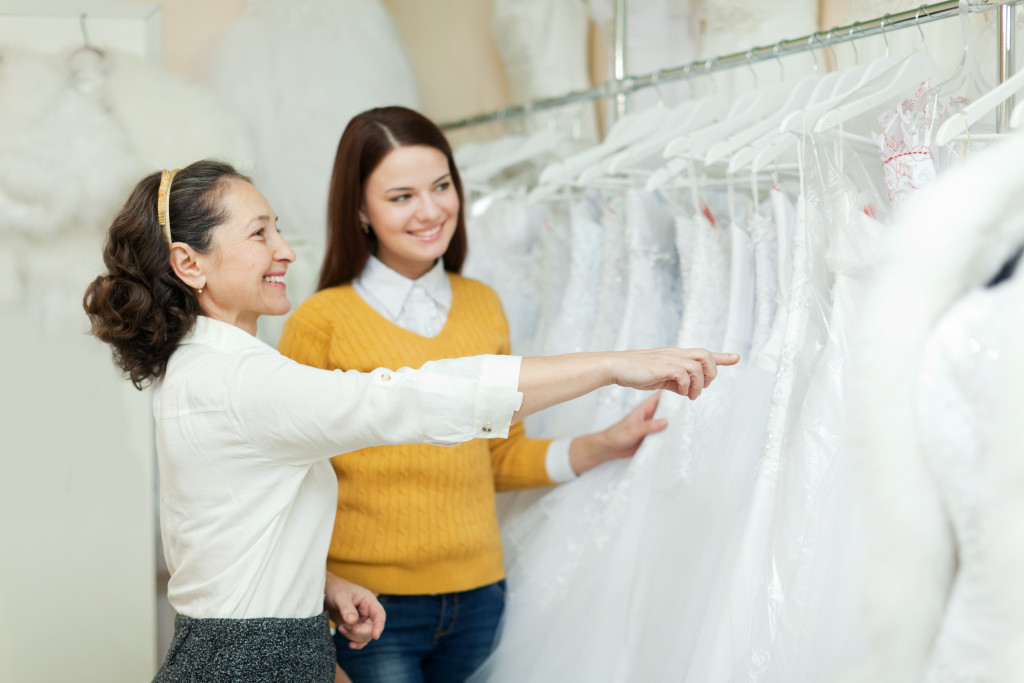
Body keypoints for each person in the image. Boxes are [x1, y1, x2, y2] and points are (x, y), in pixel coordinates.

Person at [82, 159, 738, 683]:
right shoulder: (240, 378)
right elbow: (413, 397)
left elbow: (226, 525)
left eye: (277, 227)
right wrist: (613, 365)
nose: (284, 248)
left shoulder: (202, 366)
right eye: (259, 234)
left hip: (249, 647)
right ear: (189, 262)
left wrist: (321, 585)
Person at [276, 106, 700, 683]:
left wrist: (604, 444)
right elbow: (285, 483)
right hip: (369, 610)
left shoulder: (482, 303)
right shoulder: (320, 321)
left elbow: (498, 456)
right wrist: (315, 606)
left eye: (442, 186)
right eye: (401, 196)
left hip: (480, 599)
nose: (431, 211)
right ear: (360, 211)